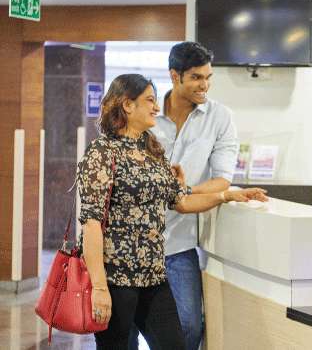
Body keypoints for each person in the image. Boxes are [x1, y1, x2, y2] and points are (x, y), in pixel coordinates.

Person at [79, 74, 267, 349]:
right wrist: (98, 287)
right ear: (127, 105)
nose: (157, 107)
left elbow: (181, 201)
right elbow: (91, 223)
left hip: (154, 276)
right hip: (115, 279)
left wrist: (226, 195)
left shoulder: (152, 150)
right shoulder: (102, 152)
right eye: (150, 100)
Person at [135, 41, 239, 350]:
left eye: (208, 77)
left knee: (189, 326)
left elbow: (222, 179)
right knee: (125, 327)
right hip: (133, 241)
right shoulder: (146, 113)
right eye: (196, 77)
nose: (204, 85)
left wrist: (183, 191)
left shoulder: (220, 117)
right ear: (175, 75)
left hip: (179, 244)